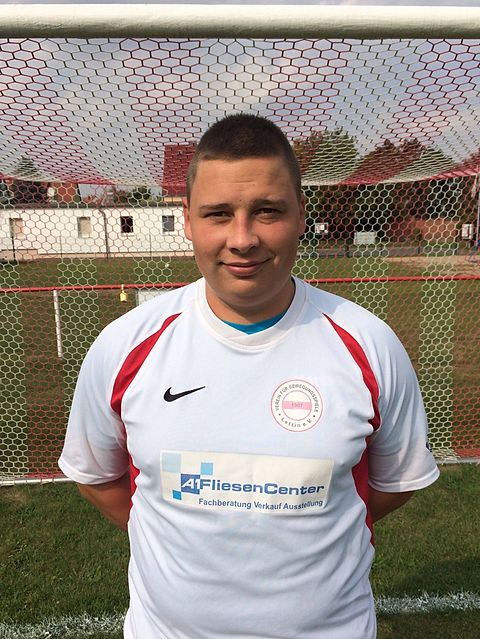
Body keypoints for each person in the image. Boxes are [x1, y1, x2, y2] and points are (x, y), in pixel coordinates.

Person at [59, 113, 439, 639]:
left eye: (267, 211)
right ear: (188, 220)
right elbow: (97, 476)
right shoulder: (123, 346)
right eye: (218, 213)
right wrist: (176, 530)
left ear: (301, 214)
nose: (242, 239)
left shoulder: (370, 345)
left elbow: (394, 485)